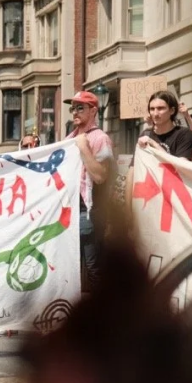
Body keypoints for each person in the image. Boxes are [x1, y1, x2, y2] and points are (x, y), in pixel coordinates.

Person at [64, 91, 114, 291]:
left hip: (89, 211)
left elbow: (101, 176)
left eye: (80, 107)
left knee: (92, 266)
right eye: (73, 108)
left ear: (93, 111)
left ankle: (100, 315)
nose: (75, 112)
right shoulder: (69, 138)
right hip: (70, 209)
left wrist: (84, 148)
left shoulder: (100, 139)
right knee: (72, 266)